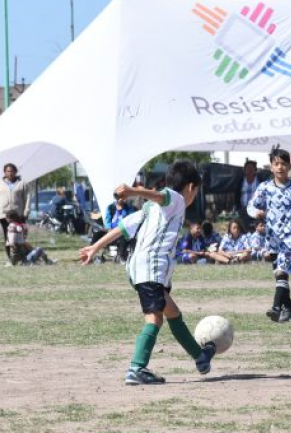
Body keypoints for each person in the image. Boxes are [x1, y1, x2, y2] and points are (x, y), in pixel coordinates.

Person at [79, 161, 216, 385]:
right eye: (196, 191)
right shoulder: (176, 200)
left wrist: (95, 248)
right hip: (151, 268)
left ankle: (200, 358)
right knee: (155, 319)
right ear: (191, 187)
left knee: (173, 313)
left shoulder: (148, 209)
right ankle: (137, 368)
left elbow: (121, 228)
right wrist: (133, 191)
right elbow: (163, 195)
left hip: (139, 269)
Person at [247, 147, 291, 323]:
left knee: (282, 270)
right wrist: (256, 213)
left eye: (283, 164)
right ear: (271, 167)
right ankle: (289, 308)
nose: (280, 167)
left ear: (290, 166)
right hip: (273, 237)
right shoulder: (265, 188)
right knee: (279, 274)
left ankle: (276, 306)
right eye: (276, 164)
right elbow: (251, 206)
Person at [0, 163, 33, 264]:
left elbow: (28, 197)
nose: (10, 173)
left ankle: (23, 258)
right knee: (8, 238)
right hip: (5, 216)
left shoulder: (22, 183)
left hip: (19, 215)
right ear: (4, 172)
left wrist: (26, 211)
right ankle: (11, 259)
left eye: (12, 171)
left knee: (21, 238)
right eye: (8, 171)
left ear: (15, 172)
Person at [103, 196, 135, 262]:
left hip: (124, 230)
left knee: (124, 236)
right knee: (98, 233)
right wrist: (109, 229)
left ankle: (120, 255)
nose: (121, 199)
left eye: (122, 197)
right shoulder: (110, 207)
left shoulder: (129, 208)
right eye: (119, 197)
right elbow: (107, 220)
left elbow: (131, 220)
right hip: (112, 230)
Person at [235, 160, 260, 231]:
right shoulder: (240, 180)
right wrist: (238, 208)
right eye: (247, 169)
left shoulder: (260, 180)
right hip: (243, 210)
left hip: (256, 209)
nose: (249, 171)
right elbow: (236, 194)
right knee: (245, 229)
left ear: (255, 170)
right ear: (244, 170)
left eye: (251, 169)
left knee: (256, 229)